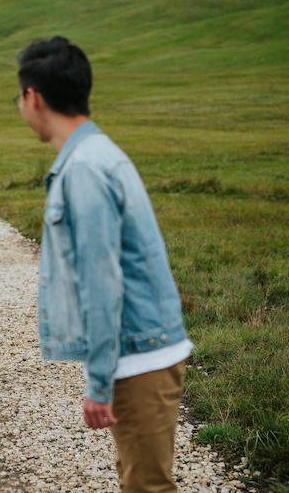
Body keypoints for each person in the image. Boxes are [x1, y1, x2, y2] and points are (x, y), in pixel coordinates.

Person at [14, 37, 193, 493]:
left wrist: (98, 382)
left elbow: (101, 281)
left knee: (147, 486)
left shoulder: (85, 169)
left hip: (138, 358)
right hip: (138, 351)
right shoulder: (94, 155)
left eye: (19, 97)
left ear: (34, 96)